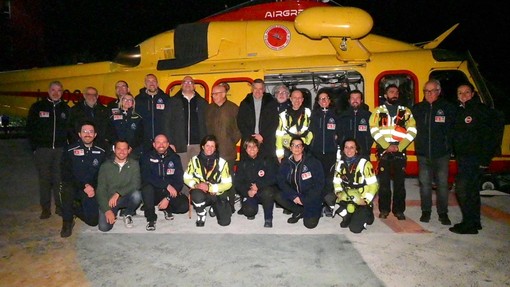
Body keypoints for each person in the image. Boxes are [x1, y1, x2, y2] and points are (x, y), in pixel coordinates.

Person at [449, 83, 498, 234]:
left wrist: (485, 160)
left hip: (474, 158)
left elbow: (490, 137)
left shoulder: (480, 110)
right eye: (460, 93)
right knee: (472, 191)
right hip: (464, 158)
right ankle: (475, 222)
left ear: (473, 94)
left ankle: (468, 224)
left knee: (463, 189)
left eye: (466, 92)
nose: (463, 95)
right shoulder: (460, 110)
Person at [412, 79, 456, 225]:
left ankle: (443, 213)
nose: (429, 94)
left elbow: (453, 130)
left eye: (432, 91)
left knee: (442, 185)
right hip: (423, 154)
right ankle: (426, 212)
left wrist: (449, 148)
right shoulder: (418, 108)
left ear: (438, 91)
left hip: (441, 154)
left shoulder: (448, 108)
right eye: (426, 91)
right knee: (425, 185)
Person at [369, 84, 417, 220]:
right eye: (391, 92)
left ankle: (399, 211)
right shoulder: (378, 111)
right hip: (384, 151)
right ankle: (384, 210)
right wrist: (385, 145)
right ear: (385, 95)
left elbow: (412, 130)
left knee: (400, 185)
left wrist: (400, 147)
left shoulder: (405, 112)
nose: (394, 94)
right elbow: (373, 129)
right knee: (384, 184)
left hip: (400, 151)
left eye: (396, 92)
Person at [26, 80, 70, 219]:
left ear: (62, 93)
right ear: (48, 91)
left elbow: (70, 130)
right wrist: (34, 148)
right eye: (53, 90)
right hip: (43, 150)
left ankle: (59, 207)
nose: (56, 93)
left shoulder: (65, 108)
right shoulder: (38, 107)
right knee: (44, 180)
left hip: (60, 150)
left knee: (59, 180)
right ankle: (45, 208)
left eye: (59, 91)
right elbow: (30, 128)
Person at [60, 121, 106, 237]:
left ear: (95, 135)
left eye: (91, 132)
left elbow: (102, 174)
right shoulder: (70, 150)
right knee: (66, 190)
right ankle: (67, 221)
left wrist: (92, 187)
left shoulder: (101, 152)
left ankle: (75, 208)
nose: (88, 134)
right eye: (84, 131)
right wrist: (83, 186)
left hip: (91, 189)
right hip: (75, 187)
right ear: (79, 134)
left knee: (93, 221)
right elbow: (66, 174)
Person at [326, 139, 378, 233]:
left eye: (352, 147)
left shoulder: (365, 164)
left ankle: (368, 212)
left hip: (361, 198)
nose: (349, 150)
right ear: (343, 149)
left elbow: (374, 185)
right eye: (346, 147)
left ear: (356, 149)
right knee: (328, 197)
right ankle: (347, 216)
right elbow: (336, 180)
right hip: (347, 195)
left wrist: (366, 200)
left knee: (355, 229)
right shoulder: (340, 163)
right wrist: (338, 192)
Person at [140, 134, 189, 231]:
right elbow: (146, 176)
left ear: (167, 144)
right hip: (154, 192)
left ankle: (167, 208)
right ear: (154, 144)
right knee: (147, 188)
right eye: (158, 142)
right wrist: (166, 185)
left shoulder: (175, 158)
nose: (161, 145)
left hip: (168, 192)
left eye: (163, 142)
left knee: (184, 206)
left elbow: (179, 180)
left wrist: (168, 198)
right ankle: (151, 219)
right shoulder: (146, 157)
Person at [205, 83, 242, 211]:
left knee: (228, 180)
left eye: (216, 93)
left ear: (223, 94)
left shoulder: (233, 108)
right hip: (212, 153)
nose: (213, 96)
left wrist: (231, 141)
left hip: (228, 152)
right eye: (212, 94)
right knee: (214, 179)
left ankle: (230, 205)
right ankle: (216, 206)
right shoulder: (209, 109)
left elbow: (238, 129)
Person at [274, 136, 324, 229]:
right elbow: (281, 181)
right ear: (290, 148)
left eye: (299, 145)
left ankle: (316, 209)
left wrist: (305, 199)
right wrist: (294, 196)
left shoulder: (313, 162)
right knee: (277, 195)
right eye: (293, 145)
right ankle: (298, 211)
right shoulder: (285, 162)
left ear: (303, 148)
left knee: (309, 224)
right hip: (295, 195)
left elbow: (319, 184)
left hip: (310, 197)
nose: (296, 148)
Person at [183, 135, 233, 227]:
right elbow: (186, 177)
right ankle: (201, 214)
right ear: (202, 146)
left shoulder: (222, 163)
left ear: (215, 148)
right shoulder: (194, 160)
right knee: (196, 195)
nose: (209, 148)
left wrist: (212, 188)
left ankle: (214, 208)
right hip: (201, 191)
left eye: (212, 146)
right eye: (207, 145)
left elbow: (228, 183)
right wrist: (196, 185)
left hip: (216, 193)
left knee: (225, 222)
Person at [96, 140, 142, 232]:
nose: (122, 152)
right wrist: (107, 210)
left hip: (125, 196)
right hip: (110, 201)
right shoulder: (105, 166)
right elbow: (100, 190)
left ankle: (127, 213)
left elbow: (136, 183)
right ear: (114, 149)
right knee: (104, 228)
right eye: (119, 149)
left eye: (125, 149)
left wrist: (118, 193)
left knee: (137, 195)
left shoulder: (134, 164)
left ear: (129, 150)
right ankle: (113, 211)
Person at [166, 76, 208, 172]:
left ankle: (197, 188)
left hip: (198, 145)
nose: (187, 84)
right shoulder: (172, 102)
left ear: (194, 86)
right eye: (185, 82)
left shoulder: (202, 103)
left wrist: (206, 143)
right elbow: (166, 122)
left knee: (198, 172)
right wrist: (170, 142)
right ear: (181, 85)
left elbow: (207, 124)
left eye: (190, 82)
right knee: (183, 172)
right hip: (179, 144)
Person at [234, 138, 277, 227]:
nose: (252, 149)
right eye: (249, 146)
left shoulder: (266, 160)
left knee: (268, 192)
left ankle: (268, 218)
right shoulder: (242, 163)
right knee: (249, 212)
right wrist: (247, 192)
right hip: (250, 192)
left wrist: (258, 185)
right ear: (245, 149)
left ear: (258, 148)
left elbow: (274, 178)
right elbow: (238, 182)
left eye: (254, 146)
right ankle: (249, 206)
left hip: (263, 190)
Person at [237, 78, 279, 161]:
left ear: (264, 89)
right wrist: (252, 137)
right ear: (252, 89)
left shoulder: (271, 103)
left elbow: (274, 122)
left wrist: (262, 136)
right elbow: (240, 122)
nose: (257, 91)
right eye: (255, 88)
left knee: (266, 166)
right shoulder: (245, 103)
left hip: (266, 141)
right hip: (249, 141)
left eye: (260, 89)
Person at [135, 74, 170, 153]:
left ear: (157, 84)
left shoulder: (166, 98)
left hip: (161, 141)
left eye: (154, 81)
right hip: (144, 141)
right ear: (145, 84)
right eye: (149, 81)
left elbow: (171, 120)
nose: (151, 83)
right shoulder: (138, 99)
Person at [275, 89, 313, 163]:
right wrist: (280, 155)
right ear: (290, 99)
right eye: (295, 98)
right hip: (288, 149)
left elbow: (312, 131)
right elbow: (279, 135)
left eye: (299, 98)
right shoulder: (283, 115)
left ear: (302, 100)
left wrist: (307, 144)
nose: (297, 100)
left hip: (303, 148)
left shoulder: (308, 113)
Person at [68, 86, 110, 151]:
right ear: (84, 95)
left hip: (100, 146)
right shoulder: (75, 110)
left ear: (97, 96)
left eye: (94, 95)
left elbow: (108, 128)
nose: (91, 97)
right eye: (88, 94)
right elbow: (70, 129)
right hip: (80, 146)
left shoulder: (104, 111)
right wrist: (77, 143)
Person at [337, 90, 373, 161]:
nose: (355, 100)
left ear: (361, 100)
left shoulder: (368, 116)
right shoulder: (342, 116)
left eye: (357, 98)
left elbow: (373, 133)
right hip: (347, 153)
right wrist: (342, 145)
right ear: (349, 100)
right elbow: (337, 133)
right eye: (352, 98)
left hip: (364, 153)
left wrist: (367, 146)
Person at [108, 93, 144, 159]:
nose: (127, 101)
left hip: (133, 151)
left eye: (130, 100)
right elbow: (110, 134)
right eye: (125, 99)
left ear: (133, 103)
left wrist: (131, 147)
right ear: (121, 102)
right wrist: (118, 147)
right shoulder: (113, 117)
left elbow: (140, 136)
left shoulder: (138, 118)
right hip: (117, 150)